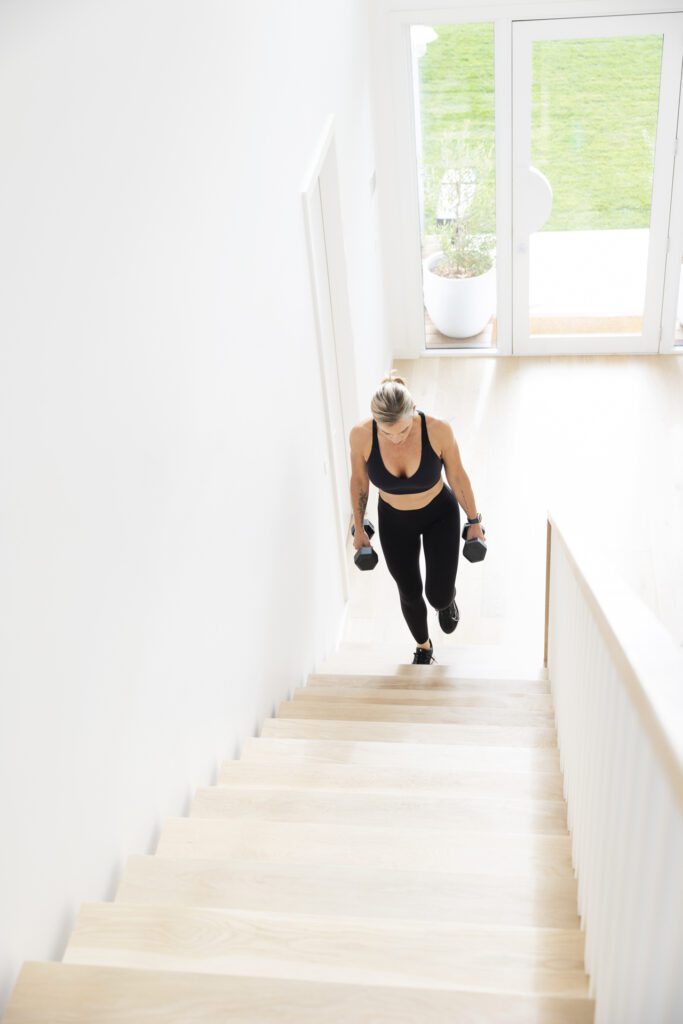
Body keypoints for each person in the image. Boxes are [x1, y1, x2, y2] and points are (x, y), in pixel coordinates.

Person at [349, 369, 486, 664]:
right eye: (387, 432)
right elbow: (359, 483)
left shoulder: (437, 431)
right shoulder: (361, 436)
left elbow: (458, 478)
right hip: (394, 522)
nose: (396, 439)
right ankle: (424, 647)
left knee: (437, 594)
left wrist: (474, 522)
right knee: (409, 592)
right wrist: (359, 528)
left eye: (403, 430)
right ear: (376, 422)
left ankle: (446, 601)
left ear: (413, 410)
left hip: (439, 515)